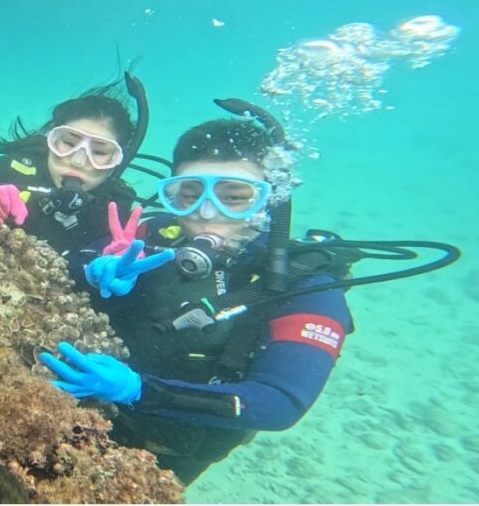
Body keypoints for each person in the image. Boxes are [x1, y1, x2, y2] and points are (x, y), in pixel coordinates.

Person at [40, 103, 355, 485]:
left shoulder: (304, 284)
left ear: (269, 199)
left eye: (235, 197)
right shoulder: (150, 234)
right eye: (188, 195)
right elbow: (61, 266)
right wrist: (92, 270)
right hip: (64, 411)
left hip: (158, 458)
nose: (207, 213)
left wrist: (140, 391)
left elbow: (280, 403)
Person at [0, 74, 149, 256]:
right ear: (51, 140)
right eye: (69, 144)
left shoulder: (114, 207)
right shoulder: (12, 170)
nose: (77, 161)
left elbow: (99, 260)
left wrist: (103, 268)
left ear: (118, 161)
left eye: (99, 152)